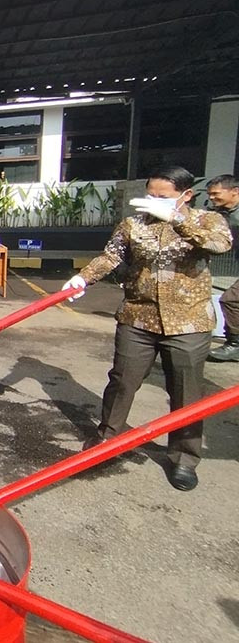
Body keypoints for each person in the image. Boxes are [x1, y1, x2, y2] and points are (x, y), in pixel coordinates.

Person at [62, 166, 231, 491]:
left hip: (188, 322)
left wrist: (177, 220)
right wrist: (83, 278)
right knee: (122, 382)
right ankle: (106, 440)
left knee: (186, 391)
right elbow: (111, 257)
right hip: (138, 319)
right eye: (150, 195)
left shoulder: (208, 221)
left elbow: (219, 245)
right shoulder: (133, 224)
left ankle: (184, 458)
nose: (154, 201)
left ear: (186, 195)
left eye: (162, 197)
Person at [205, 175, 239, 361]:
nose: (212, 197)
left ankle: (236, 345)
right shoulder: (221, 212)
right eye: (210, 194)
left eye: (216, 194)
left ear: (234, 191)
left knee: (232, 300)